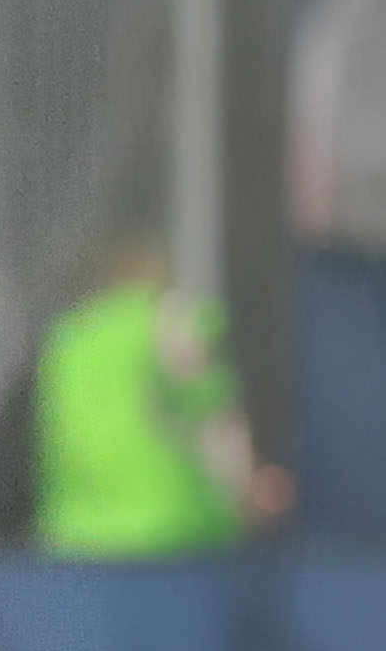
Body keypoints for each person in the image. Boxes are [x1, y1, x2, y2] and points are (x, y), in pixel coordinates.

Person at [35, 238, 292, 558]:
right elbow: (214, 421)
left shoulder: (66, 339)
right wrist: (247, 488)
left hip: (76, 540)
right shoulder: (169, 320)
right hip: (172, 536)